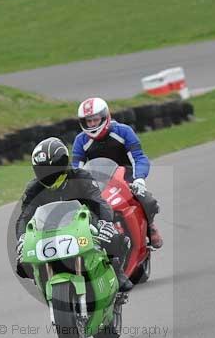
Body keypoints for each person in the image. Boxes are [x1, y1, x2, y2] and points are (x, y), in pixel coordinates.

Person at [15, 137, 134, 292]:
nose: (45, 175)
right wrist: (22, 238)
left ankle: (116, 271)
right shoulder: (34, 188)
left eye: (49, 170)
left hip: (82, 225)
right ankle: (43, 278)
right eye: (41, 170)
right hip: (48, 231)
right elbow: (25, 216)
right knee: (22, 264)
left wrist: (105, 222)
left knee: (118, 240)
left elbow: (98, 202)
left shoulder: (81, 177)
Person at [70, 97, 163, 249]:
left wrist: (139, 179)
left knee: (147, 200)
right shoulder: (80, 140)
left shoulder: (123, 131)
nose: (92, 124)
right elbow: (76, 169)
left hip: (126, 176)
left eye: (95, 119)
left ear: (105, 116)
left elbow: (138, 157)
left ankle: (150, 227)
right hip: (97, 180)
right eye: (89, 121)